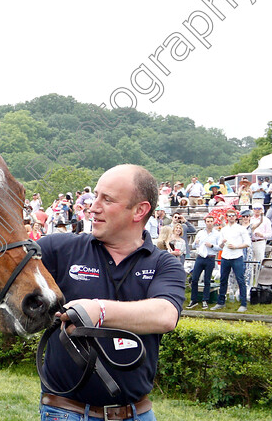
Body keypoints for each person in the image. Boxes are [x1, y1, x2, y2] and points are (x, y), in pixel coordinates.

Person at [37, 164, 185, 421]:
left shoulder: (164, 263)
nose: (93, 206)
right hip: (65, 412)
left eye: (107, 199)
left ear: (140, 210)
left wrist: (98, 311)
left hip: (136, 414)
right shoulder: (59, 249)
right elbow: (2, 262)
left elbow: (165, 315)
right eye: (95, 196)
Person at [211, 209, 251, 312]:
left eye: (233, 215)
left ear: (236, 217)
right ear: (227, 217)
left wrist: (236, 246)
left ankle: (243, 304)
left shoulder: (241, 229)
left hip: (237, 256)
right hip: (225, 256)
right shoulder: (224, 230)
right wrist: (222, 243)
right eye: (229, 215)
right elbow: (219, 245)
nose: (231, 217)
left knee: (240, 280)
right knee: (223, 280)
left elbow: (247, 243)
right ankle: (221, 302)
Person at [188, 215, 221, 308]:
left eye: (211, 221)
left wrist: (212, 246)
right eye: (208, 221)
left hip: (210, 257)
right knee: (194, 279)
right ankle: (193, 299)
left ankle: (205, 300)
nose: (209, 223)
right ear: (205, 222)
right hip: (200, 257)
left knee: (207, 280)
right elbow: (194, 246)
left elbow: (220, 247)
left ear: (213, 222)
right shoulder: (200, 233)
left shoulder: (217, 234)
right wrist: (196, 243)